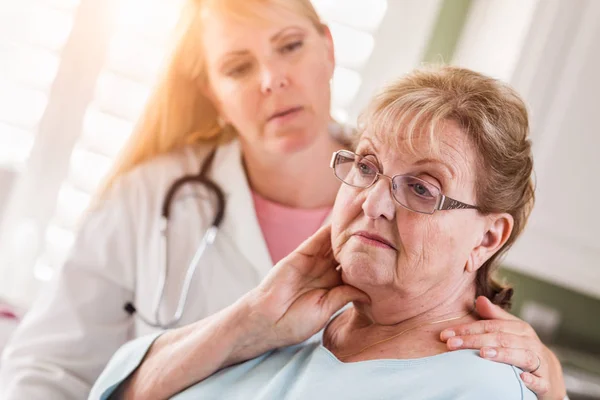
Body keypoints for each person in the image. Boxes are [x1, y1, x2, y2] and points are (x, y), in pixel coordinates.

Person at [0, 1, 565, 399]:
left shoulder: (467, 373)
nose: (271, 79)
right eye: (237, 66)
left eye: (421, 188)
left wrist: (548, 381)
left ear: (327, 49)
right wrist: (248, 321)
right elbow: (58, 372)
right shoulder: (156, 201)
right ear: (213, 95)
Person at [90, 65, 549, 400]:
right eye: (367, 166)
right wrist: (246, 321)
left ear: (487, 239)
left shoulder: (478, 388)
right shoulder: (291, 323)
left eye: (422, 189)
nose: (372, 203)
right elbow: (119, 392)